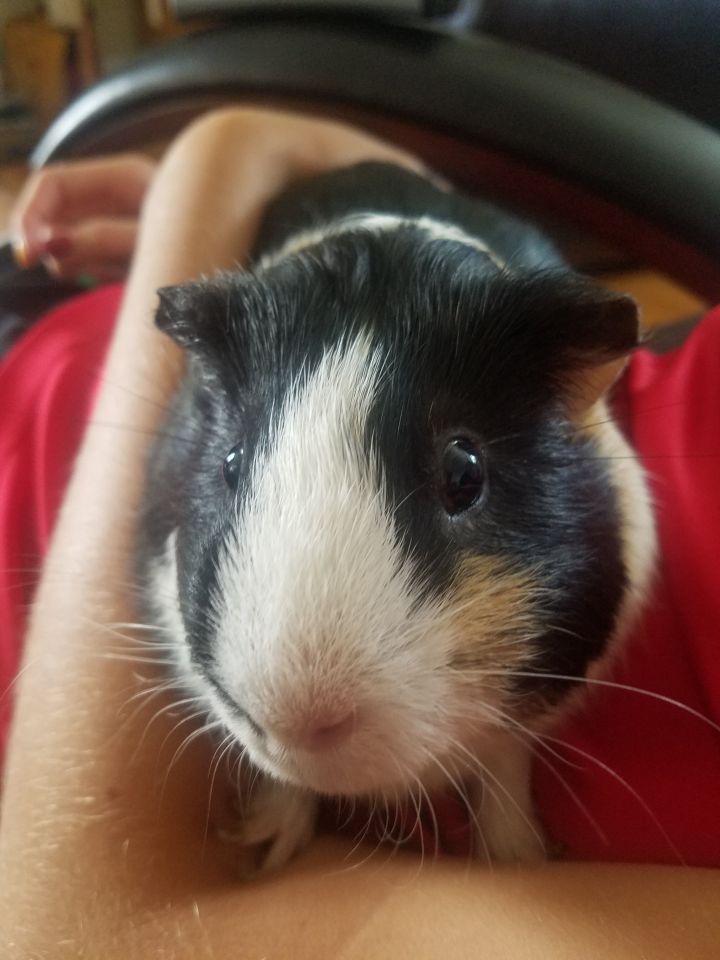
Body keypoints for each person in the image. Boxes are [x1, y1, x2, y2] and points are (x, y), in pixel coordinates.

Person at [1, 107, 719, 958]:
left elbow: (79, 938)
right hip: (55, 388)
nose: (300, 708)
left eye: (460, 481)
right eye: (235, 463)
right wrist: (252, 169)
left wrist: (218, 172)